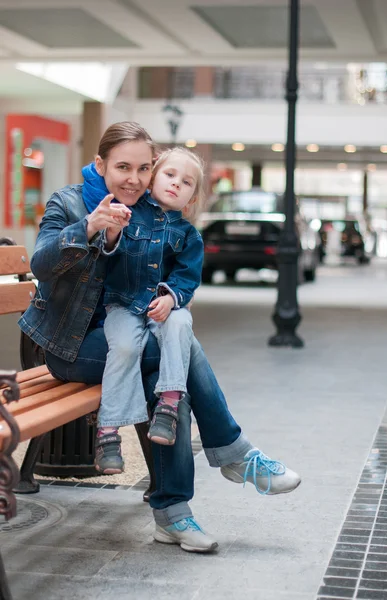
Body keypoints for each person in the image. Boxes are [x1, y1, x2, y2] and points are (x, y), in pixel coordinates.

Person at [18, 121, 301, 554]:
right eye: (122, 167)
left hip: (130, 337)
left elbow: (171, 275)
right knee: (178, 357)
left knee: (169, 383)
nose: (134, 179)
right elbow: (40, 264)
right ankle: (231, 458)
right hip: (70, 346)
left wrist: (170, 300)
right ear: (100, 165)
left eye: (143, 168)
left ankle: (173, 516)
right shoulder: (71, 203)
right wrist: (90, 226)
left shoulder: (156, 217)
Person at [92, 146, 205, 465]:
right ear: (153, 177)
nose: (176, 184)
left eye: (186, 182)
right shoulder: (126, 212)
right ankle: (109, 434)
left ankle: (169, 404)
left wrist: (171, 299)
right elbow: (106, 258)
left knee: (182, 324)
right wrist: (113, 233)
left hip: (163, 308)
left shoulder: (189, 236)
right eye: (170, 175)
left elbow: (187, 278)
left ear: (192, 198)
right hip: (123, 306)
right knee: (125, 347)